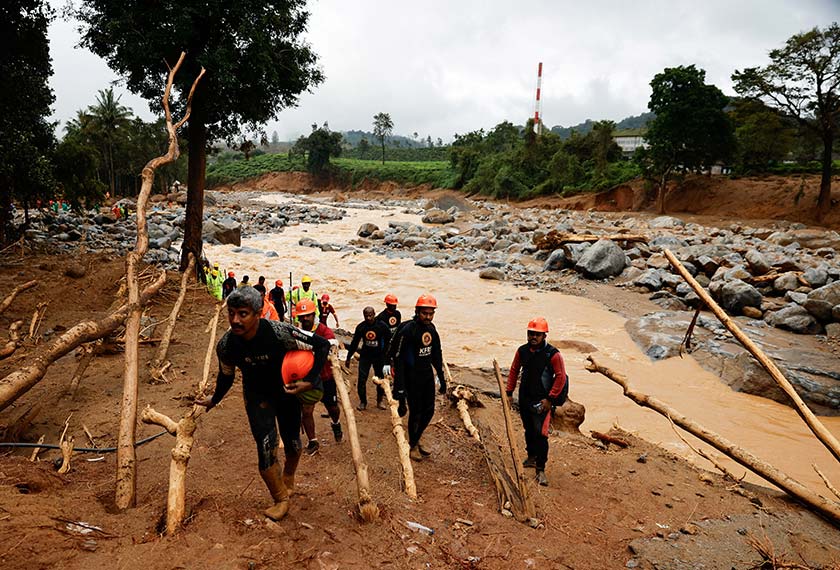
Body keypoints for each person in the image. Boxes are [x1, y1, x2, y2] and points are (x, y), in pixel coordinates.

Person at [195, 288, 330, 520]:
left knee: (294, 445)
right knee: (265, 449)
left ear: (258, 313)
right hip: (257, 398)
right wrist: (214, 399)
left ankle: (288, 475)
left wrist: (309, 381)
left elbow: (322, 345)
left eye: (243, 314)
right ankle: (280, 499)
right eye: (232, 313)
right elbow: (225, 375)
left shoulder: (280, 333)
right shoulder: (226, 345)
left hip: (286, 394)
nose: (235, 320)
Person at [505, 317, 567, 487]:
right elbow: (514, 370)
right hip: (525, 397)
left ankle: (541, 468)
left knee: (541, 434)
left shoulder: (553, 355)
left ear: (544, 335)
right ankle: (531, 457)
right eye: (531, 333)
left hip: (543, 401)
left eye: (537, 334)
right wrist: (509, 392)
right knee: (528, 430)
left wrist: (550, 399)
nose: (533, 337)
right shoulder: (522, 351)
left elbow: (561, 377)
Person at [388, 294, 446, 462]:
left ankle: (416, 437)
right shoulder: (408, 330)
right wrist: (399, 386)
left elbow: (437, 354)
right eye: (424, 313)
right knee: (416, 412)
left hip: (427, 375)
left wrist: (441, 378)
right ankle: (413, 445)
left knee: (429, 411)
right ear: (417, 311)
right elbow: (398, 358)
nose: (428, 317)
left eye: (431, 313)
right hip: (411, 377)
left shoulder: (432, 329)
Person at [296, 299, 343, 451]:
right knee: (307, 410)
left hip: (326, 376)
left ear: (313, 314)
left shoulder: (324, 331)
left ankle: (336, 423)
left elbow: (332, 346)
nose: (304, 319)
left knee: (333, 408)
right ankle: (313, 441)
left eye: (307, 316)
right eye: (301, 316)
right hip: (309, 378)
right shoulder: (298, 332)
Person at [346, 307, 392, 411]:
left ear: (374, 314)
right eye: (366, 315)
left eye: (370, 315)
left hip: (379, 356)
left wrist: (386, 356)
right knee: (362, 380)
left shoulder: (382, 326)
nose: (368, 317)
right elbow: (354, 343)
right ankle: (363, 402)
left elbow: (389, 341)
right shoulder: (361, 327)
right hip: (365, 356)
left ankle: (380, 400)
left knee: (380, 379)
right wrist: (349, 357)